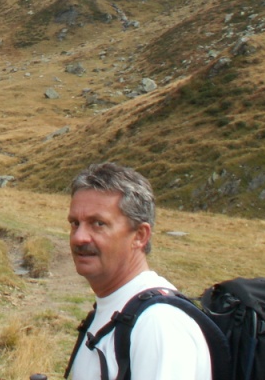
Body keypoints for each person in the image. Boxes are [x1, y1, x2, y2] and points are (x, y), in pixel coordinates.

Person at [66, 162, 211, 380]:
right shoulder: (114, 308)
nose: (79, 237)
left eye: (98, 224)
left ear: (140, 236)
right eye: (75, 223)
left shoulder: (159, 324)